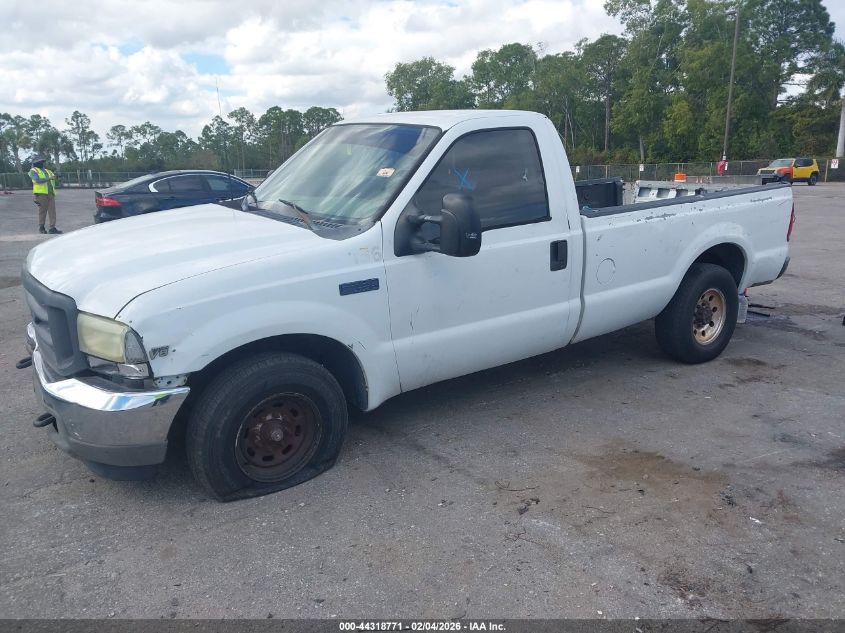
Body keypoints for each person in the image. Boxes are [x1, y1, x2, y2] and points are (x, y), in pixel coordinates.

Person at [27, 156, 62, 234]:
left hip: (51, 193)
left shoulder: (48, 171)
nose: (41, 163)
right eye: (39, 162)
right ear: (35, 163)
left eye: (42, 161)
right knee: (42, 211)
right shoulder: (33, 171)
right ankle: (41, 227)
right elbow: (37, 180)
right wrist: (49, 178)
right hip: (41, 194)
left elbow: (54, 178)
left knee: (52, 212)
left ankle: (52, 228)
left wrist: (57, 177)